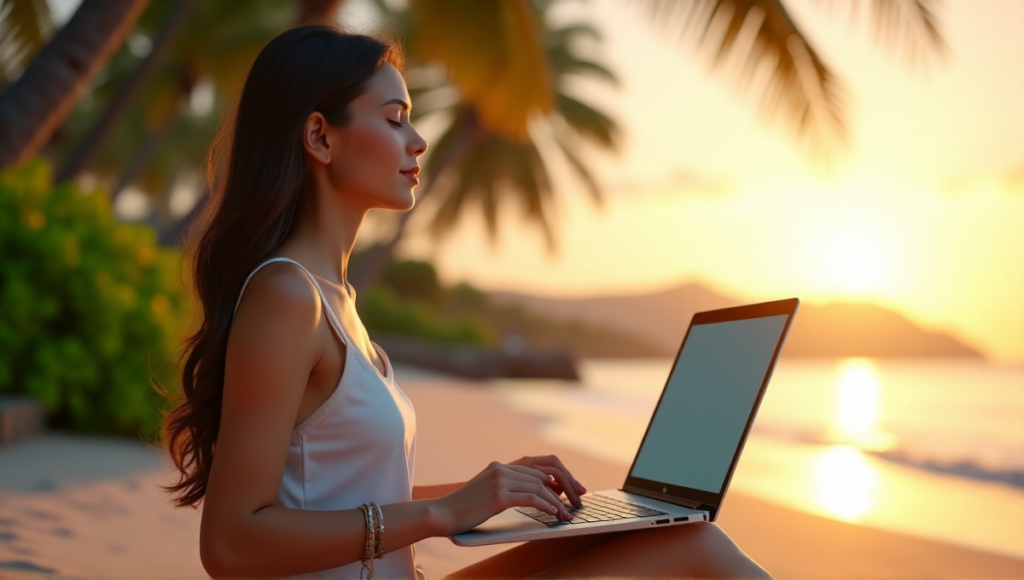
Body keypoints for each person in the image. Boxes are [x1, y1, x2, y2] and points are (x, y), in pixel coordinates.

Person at [161, 24, 772, 579]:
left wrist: (492, 490)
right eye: (396, 118)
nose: (419, 140)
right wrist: (438, 514)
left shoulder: (335, 299)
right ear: (320, 136)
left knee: (673, 532)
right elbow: (232, 544)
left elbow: (338, 496)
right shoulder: (287, 296)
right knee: (699, 552)